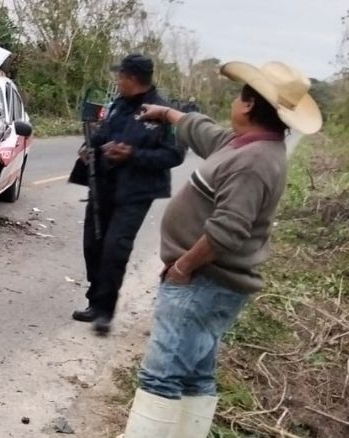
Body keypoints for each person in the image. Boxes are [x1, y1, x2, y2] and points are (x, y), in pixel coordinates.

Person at [119, 60, 322, 438]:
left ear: (247, 105)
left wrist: (182, 267)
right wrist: (168, 114)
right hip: (213, 285)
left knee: (161, 376)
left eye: (237, 95)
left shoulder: (253, 162)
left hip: (203, 283)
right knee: (195, 376)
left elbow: (228, 231)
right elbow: (205, 131)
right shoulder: (247, 146)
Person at [69, 54, 186, 335]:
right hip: (103, 185)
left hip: (136, 192)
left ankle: (104, 313)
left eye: (120, 76)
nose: (117, 81)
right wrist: (89, 148)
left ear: (132, 78)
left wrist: (132, 154)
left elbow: (175, 155)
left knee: (115, 248)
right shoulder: (117, 106)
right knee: (93, 245)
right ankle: (95, 302)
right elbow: (101, 135)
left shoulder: (162, 112)